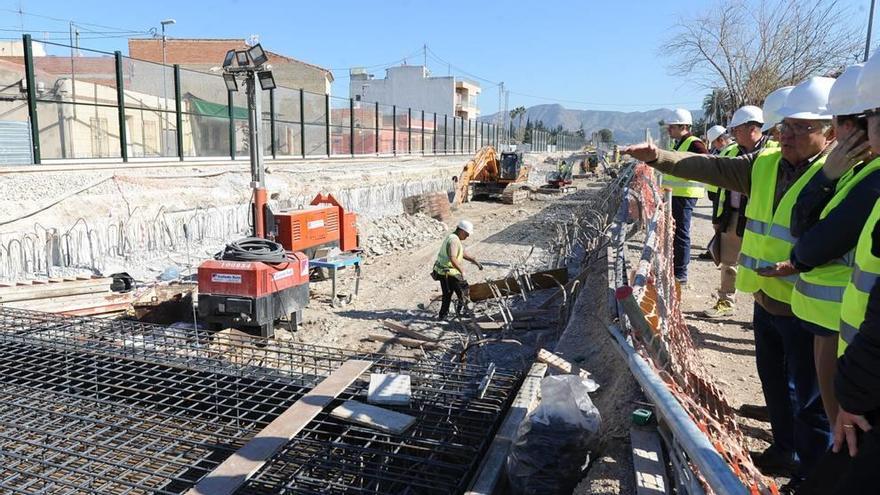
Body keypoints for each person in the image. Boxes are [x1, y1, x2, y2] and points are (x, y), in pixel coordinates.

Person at [621, 77, 837, 489]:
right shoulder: (768, 165)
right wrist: (659, 157)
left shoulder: (840, 175)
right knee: (774, 382)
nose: (787, 135)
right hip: (767, 298)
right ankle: (784, 451)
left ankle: (812, 473)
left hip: (810, 308)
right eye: (785, 126)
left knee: (811, 401)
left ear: (831, 131)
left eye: (801, 127)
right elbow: (713, 168)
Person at [764, 64, 875, 429]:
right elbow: (802, 226)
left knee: (830, 422)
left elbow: (815, 243)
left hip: (846, 327)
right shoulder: (853, 171)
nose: (840, 129)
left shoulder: (871, 179)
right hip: (829, 318)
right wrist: (828, 175)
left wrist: (799, 256)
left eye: (842, 120)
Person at [704, 105, 769, 318]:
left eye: (737, 130)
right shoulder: (731, 152)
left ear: (753, 129)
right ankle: (726, 301)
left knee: (762, 265)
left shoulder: (772, 152)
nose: (732, 135)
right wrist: (717, 217)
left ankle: (762, 309)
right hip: (732, 215)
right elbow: (720, 186)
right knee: (729, 262)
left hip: (762, 219)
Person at [662, 108, 709, 285]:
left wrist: (688, 173)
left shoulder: (694, 143)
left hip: (685, 195)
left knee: (681, 233)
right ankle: (675, 268)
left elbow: (706, 162)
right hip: (675, 195)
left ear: (683, 126)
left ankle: (681, 273)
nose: (669, 130)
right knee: (674, 232)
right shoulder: (680, 142)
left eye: (672, 127)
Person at [432, 219, 483, 320]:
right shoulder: (454, 240)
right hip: (449, 272)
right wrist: (462, 270)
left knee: (448, 294)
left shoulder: (453, 237)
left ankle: (443, 316)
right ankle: (463, 312)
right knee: (464, 290)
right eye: (467, 234)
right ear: (461, 231)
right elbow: (453, 257)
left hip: (443, 272)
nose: (467, 236)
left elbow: (461, 253)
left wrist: (474, 260)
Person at [698, 125, 731, 261]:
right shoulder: (722, 151)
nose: (714, 146)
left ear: (720, 139)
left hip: (721, 195)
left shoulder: (729, 152)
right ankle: (715, 250)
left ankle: (716, 251)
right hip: (716, 194)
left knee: (720, 225)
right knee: (718, 225)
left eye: (715, 142)